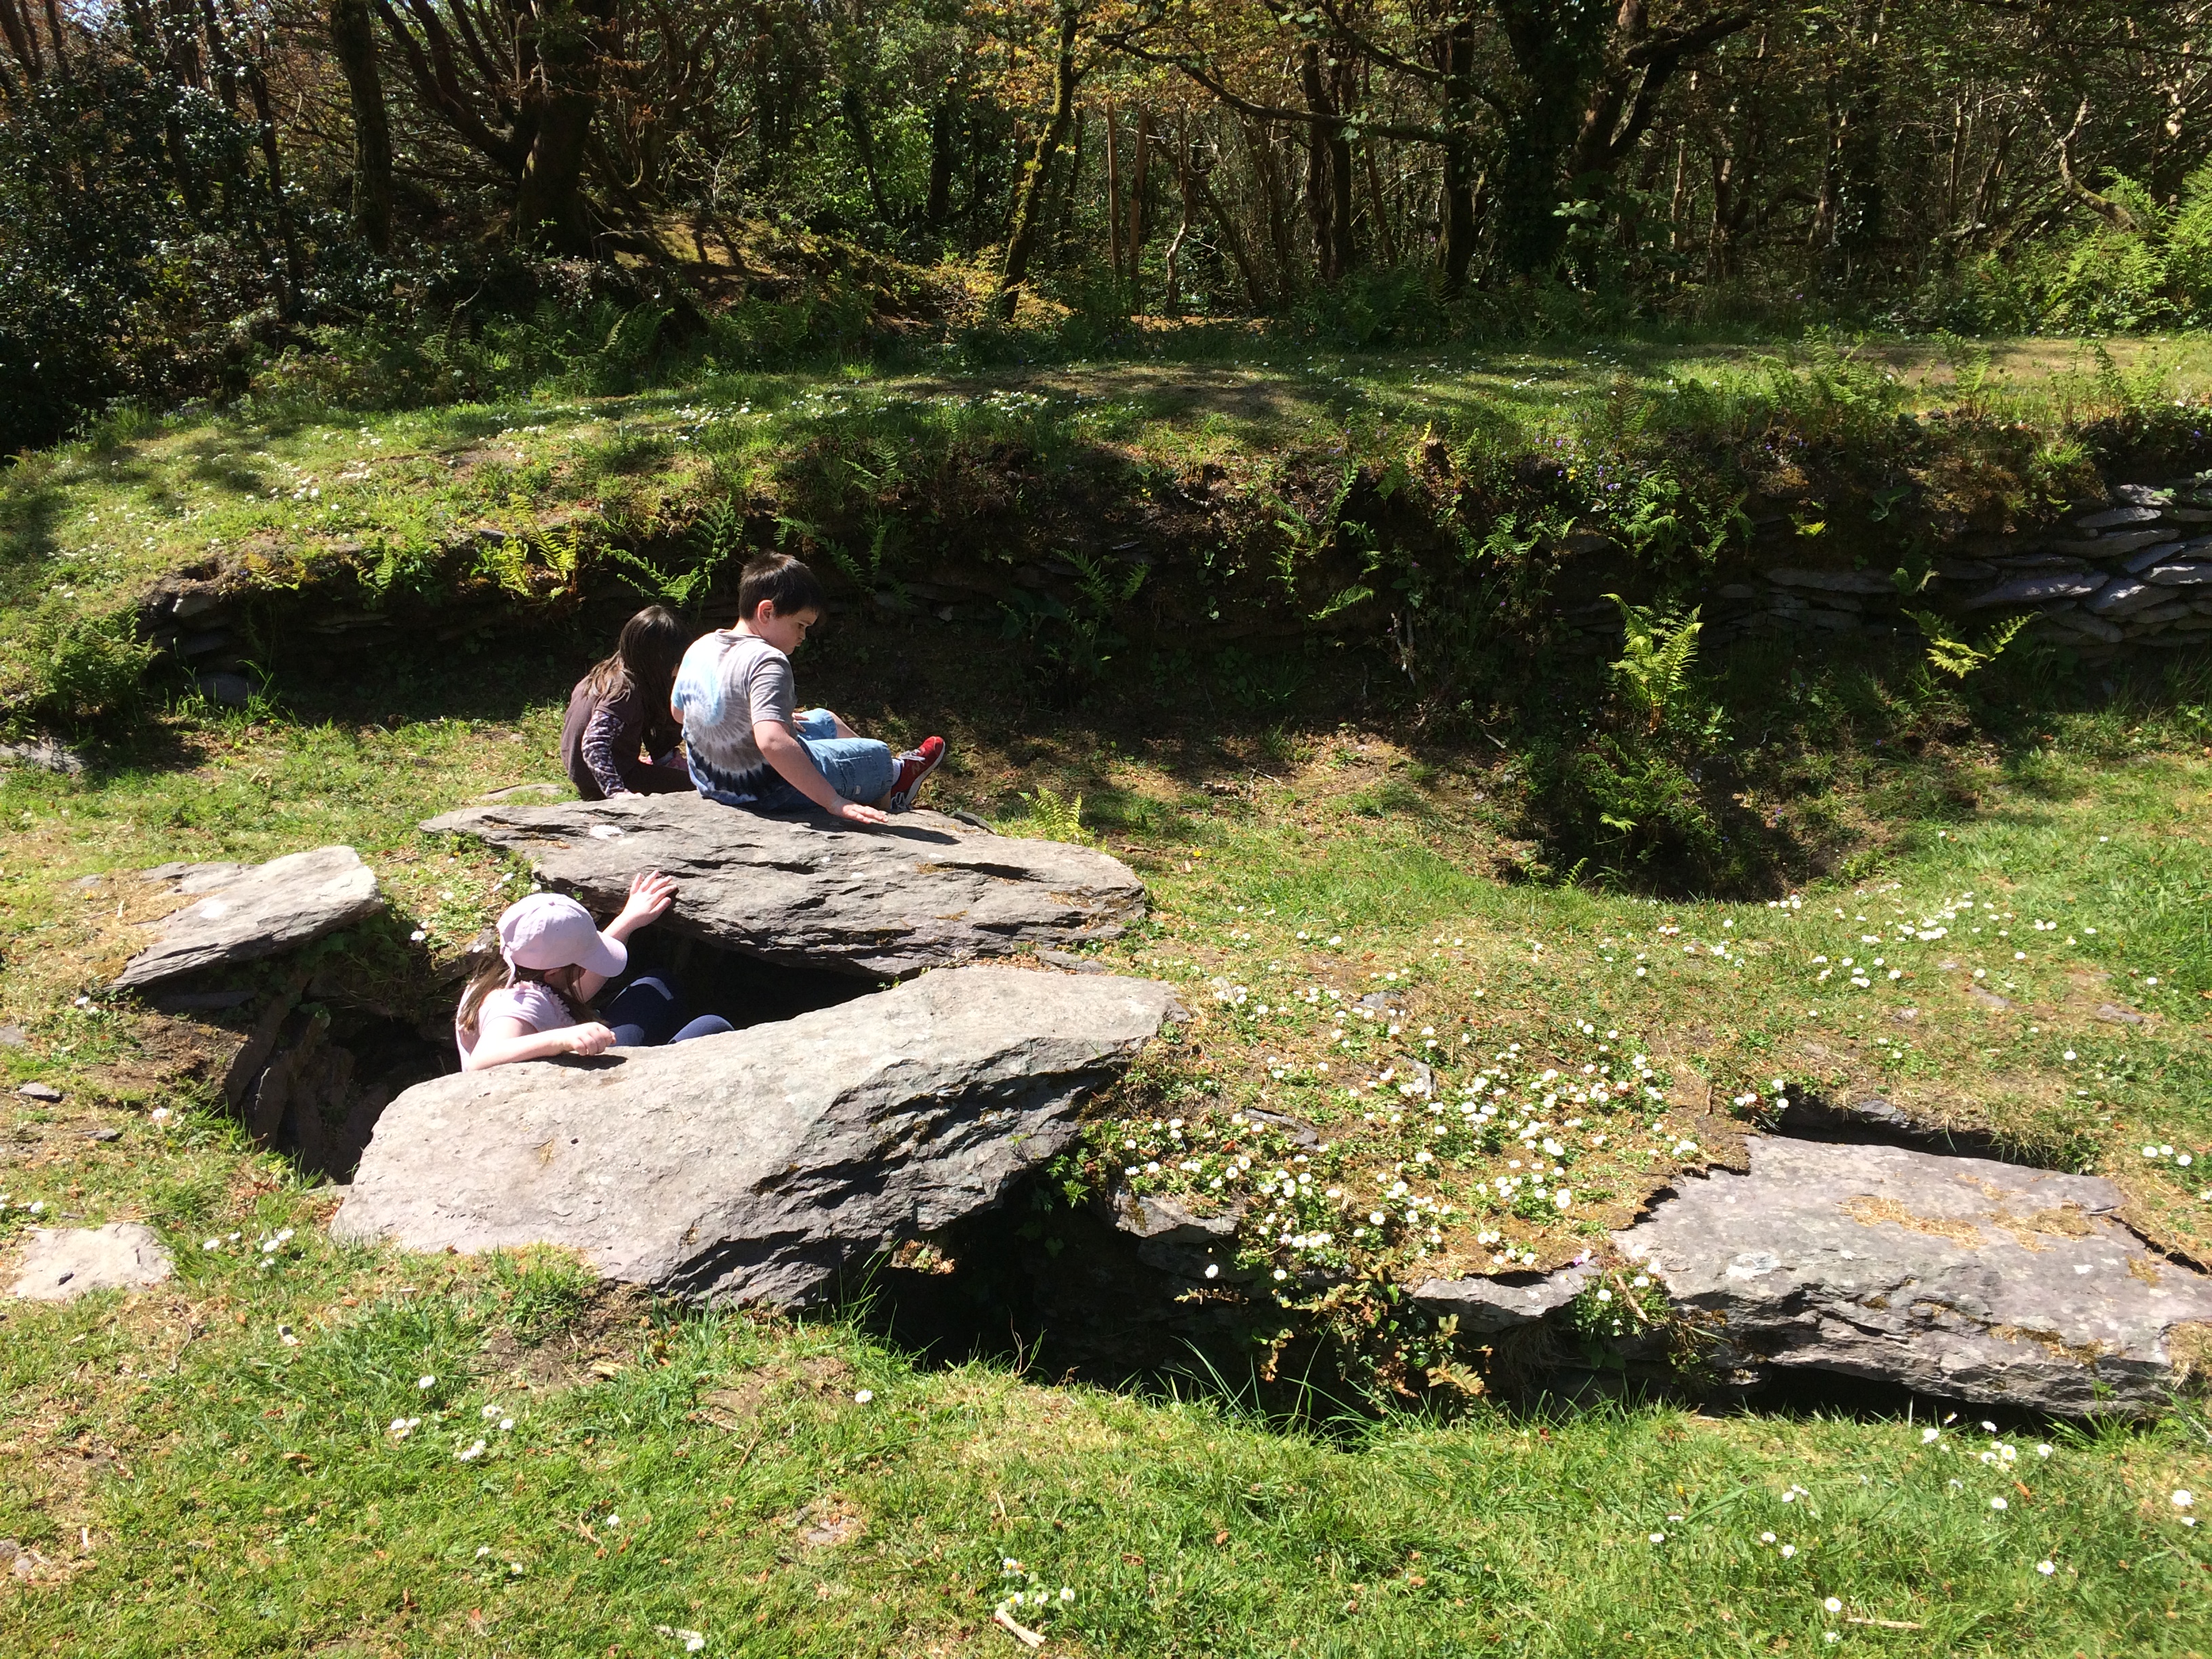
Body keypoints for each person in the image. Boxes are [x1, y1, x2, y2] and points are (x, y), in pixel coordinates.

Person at [671, 554, 945, 823]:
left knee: (826, 720)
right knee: (878, 755)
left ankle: (888, 781)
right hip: (770, 790)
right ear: (767, 612)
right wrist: (833, 802)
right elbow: (771, 741)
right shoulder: (768, 661)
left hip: (713, 782)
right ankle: (894, 780)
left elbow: (679, 713)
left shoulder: (701, 646)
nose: (802, 636)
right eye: (800, 625)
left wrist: (750, 717)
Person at [453, 875, 732, 1071]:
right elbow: (481, 1061)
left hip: (578, 1053)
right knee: (712, 1026)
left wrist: (628, 920)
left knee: (657, 985)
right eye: (585, 962)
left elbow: (572, 991)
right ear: (553, 973)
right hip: (568, 1091)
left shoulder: (513, 972)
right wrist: (562, 1039)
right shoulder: (517, 1008)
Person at [562, 605, 696, 801]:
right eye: (675, 663)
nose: (677, 671)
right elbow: (594, 744)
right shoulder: (624, 692)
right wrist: (617, 792)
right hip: (606, 782)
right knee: (697, 785)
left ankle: (662, 762)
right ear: (657, 661)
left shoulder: (610, 670)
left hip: (588, 775)